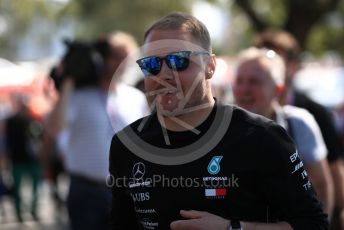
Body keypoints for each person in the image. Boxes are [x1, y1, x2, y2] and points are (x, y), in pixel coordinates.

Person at [109, 12, 328, 230]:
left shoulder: (262, 137)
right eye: (152, 64)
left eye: (179, 61)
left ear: (210, 66)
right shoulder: (126, 145)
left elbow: (314, 224)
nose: (164, 74)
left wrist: (234, 227)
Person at [45, 31, 148, 230]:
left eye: (128, 58)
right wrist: (67, 80)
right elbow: (53, 128)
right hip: (87, 191)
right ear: (102, 59)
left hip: (128, 191)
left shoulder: (135, 98)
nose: (123, 63)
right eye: (117, 57)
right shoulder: (78, 97)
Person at [254, 30, 344, 229]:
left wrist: (335, 214)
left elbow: (334, 167)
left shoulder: (313, 113)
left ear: (292, 67)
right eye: (259, 57)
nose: (264, 65)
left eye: (274, 58)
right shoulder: (242, 113)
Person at [232, 46, 334, 218]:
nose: (244, 89)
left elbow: (321, 186)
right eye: (239, 81)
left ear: (277, 90)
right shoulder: (223, 126)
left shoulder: (298, 123)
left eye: (254, 81)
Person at [4, 94, 42, 222]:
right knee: (17, 189)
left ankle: (33, 211)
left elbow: (39, 139)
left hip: (32, 160)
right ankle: (19, 213)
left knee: (36, 188)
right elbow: (6, 141)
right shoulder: (10, 121)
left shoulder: (33, 120)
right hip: (17, 160)